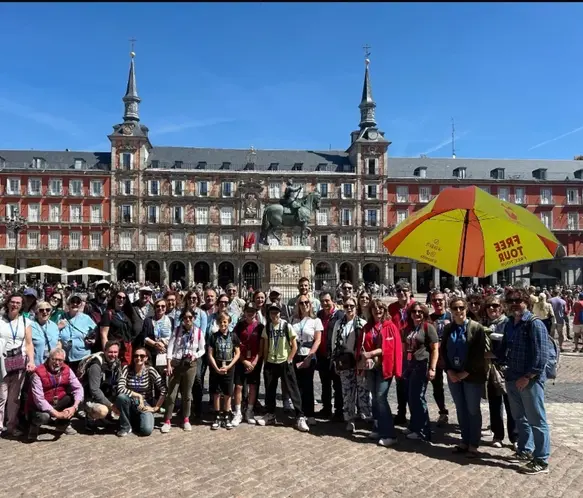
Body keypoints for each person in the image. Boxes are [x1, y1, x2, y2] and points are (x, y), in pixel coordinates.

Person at [500, 288, 551, 474]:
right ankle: (525, 449)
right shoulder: (509, 323)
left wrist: (527, 377)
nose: (514, 304)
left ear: (526, 302)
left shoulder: (535, 324)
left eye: (518, 300)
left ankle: (542, 460)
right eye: (510, 301)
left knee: (536, 419)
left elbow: (541, 356)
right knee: (519, 417)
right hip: (512, 377)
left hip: (530, 380)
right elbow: (505, 348)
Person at [441, 297, 490, 458]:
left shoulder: (476, 328)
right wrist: (449, 370)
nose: (458, 311)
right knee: (461, 408)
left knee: (472, 409)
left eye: (461, 307)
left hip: (471, 376)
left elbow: (479, 355)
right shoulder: (448, 328)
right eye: (455, 308)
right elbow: (443, 351)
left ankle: (473, 444)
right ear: (450, 310)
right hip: (453, 375)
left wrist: (466, 372)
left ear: (466, 309)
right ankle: (464, 440)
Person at [356, 299, 403, 447]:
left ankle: (389, 434)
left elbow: (389, 348)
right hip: (371, 368)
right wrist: (363, 359)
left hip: (385, 367)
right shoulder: (367, 327)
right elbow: (361, 345)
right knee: (375, 398)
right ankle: (378, 427)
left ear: (384, 310)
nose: (378, 310)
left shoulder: (390, 326)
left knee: (381, 397)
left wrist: (371, 353)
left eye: (380, 308)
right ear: (370, 311)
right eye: (374, 308)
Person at [257, 303, 309, 432]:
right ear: (269, 314)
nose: (274, 315)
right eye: (272, 312)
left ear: (280, 313)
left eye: (276, 312)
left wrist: (289, 359)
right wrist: (266, 361)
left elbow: (294, 345)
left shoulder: (286, 326)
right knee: (270, 389)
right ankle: (270, 414)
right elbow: (265, 345)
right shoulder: (267, 327)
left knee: (292, 388)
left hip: (284, 362)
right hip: (271, 362)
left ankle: (300, 416)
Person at [160, 311, 205, 433]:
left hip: (190, 364)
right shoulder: (177, 330)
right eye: (185, 317)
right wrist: (169, 363)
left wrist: (195, 355)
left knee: (187, 394)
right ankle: (167, 420)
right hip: (176, 363)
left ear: (194, 318)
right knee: (172, 393)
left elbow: (202, 349)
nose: (188, 319)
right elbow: (170, 347)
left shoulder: (198, 332)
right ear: (182, 319)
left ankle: (186, 419)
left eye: (190, 317)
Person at [27, 347, 84, 441]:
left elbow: (78, 388)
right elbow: (39, 400)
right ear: (49, 358)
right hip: (38, 406)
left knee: (75, 399)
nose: (57, 363)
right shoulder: (38, 373)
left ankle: (62, 425)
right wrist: (57, 414)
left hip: (56, 400)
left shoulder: (67, 369)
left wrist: (74, 407)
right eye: (54, 359)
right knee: (44, 417)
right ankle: (34, 426)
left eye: (60, 360)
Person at [330, 297, 369, 432]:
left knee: (363, 391)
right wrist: (335, 361)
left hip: (359, 362)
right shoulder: (339, 323)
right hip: (345, 362)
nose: (349, 308)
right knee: (347, 392)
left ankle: (365, 416)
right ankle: (350, 419)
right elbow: (334, 342)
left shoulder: (362, 323)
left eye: (352, 306)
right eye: (346, 306)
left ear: (356, 307)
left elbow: (367, 343)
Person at [483, 295, 516, 448]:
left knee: (511, 404)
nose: (492, 308)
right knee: (495, 404)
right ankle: (497, 435)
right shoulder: (485, 324)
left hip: (507, 369)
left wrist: (493, 354)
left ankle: (515, 437)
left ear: (502, 307)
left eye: (495, 305)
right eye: (489, 306)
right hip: (491, 369)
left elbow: (511, 346)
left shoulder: (508, 323)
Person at [0, 293, 35, 437]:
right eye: (12, 302)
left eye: (18, 303)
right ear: (8, 303)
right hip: (2, 361)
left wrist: (31, 361)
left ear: (22, 306)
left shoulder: (26, 322)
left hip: (19, 361)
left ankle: (11, 426)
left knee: (15, 397)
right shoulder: (0, 320)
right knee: (1, 397)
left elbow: (29, 343)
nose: (14, 305)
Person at [403, 302, 439, 442]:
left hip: (422, 365)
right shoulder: (409, 328)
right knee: (411, 397)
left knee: (418, 397)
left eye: (420, 312)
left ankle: (423, 431)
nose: (417, 314)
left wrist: (432, 368)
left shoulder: (428, 327)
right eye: (414, 311)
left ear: (424, 313)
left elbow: (435, 349)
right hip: (410, 365)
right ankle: (414, 425)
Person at [115, 347, 167, 437]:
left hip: (145, 404)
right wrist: (138, 396)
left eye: (142, 356)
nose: (138, 358)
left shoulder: (150, 370)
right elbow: (120, 388)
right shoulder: (127, 369)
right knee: (121, 397)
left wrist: (156, 408)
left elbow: (164, 389)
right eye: (136, 356)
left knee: (146, 430)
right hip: (130, 401)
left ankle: (135, 420)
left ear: (146, 358)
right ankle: (126, 427)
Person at [291, 295, 322, 425]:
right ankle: (299, 413)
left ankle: (310, 413)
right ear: (298, 305)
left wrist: (310, 356)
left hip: (308, 354)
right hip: (296, 354)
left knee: (308, 384)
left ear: (310, 304)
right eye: (301, 303)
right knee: (297, 385)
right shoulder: (293, 320)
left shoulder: (316, 321)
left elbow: (318, 340)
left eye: (306, 302)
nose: (304, 305)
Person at [232, 302, 264, 426]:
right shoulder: (239, 326)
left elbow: (262, 347)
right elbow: (235, 345)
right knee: (239, 386)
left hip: (254, 361)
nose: (250, 313)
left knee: (253, 386)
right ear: (244, 312)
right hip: (241, 360)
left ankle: (249, 411)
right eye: (248, 311)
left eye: (252, 311)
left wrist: (254, 362)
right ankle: (238, 412)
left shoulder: (260, 327)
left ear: (256, 312)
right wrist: (244, 360)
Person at [387, 282, 414, 426]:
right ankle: (401, 413)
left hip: (413, 352)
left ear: (410, 291)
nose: (401, 293)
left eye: (404, 290)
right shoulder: (392, 308)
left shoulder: (415, 306)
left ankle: (415, 416)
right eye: (399, 291)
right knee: (400, 383)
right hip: (397, 352)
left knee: (413, 385)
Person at [207, 312, 240, 430]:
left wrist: (229, 366)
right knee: (216, 392)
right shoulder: (213, 336)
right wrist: (216, 368)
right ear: (217, 323)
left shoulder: (233, 336)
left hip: (229, 368)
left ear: (229, 322)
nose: (223, 324)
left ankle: (226, 415)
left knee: (228, 392)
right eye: (220, 322)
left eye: (225, 322)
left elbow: (237, 353)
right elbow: (210, 354)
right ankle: (217, 416)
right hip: (216, 367)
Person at [316, 291, 344, 420]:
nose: (325, 303)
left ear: (332, 301)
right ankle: (326, 408)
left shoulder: (339, 315)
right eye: (322, 301)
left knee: (337, 385)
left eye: (327, 301)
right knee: (325, 384)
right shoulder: (319, 315)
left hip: (335, 356)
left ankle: (339, 411)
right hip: (322, 355)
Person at [83, 340, 122, 432]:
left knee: (123, 400)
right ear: (104, 351)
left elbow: (119, 382)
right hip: (92, 398)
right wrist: (111, 405)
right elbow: (94, 390)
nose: (113, 355)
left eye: (115, 352)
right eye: (110, 352)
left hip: (107, 394)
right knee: (103, 411)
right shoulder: (96, 365)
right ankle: (89, 418)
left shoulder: (116, 363)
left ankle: (105, 419)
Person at [428, 290, 450, 426]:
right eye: (434, 300)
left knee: (457, 385)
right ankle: (442, 412)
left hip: (451, 357)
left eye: (440, 299)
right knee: (437, 387)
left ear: (445, 300)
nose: (437, 302)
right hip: (435, 357)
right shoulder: (429, 318)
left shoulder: (452, 316)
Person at [58, 295, 97, 372]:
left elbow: (96, 330)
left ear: (80, 304)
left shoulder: (86, 318)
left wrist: (94, 340)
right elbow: (53, 332)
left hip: (82, 357)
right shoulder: (61, 317)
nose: (75, 304)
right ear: (68, 303)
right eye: (73, 301)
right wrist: (58, 327)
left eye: (78, 302)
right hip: (64, 358)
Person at [100, 291, 135, 365]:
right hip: (115, 349)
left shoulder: (126, 314)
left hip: (127, 349)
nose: (121, 299)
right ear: (114, 298)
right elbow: (103, 334)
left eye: (124, 298)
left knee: (125, 369)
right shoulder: (108, 313)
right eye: (119, 297)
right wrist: (106, 351)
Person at [30, 301, 60, 366]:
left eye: (47, 310)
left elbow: (58, 342)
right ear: (36, 312)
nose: (45, 312)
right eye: (41, 310)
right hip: (37, 364)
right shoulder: (30, 326)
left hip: (52, 364)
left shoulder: (54, 326)